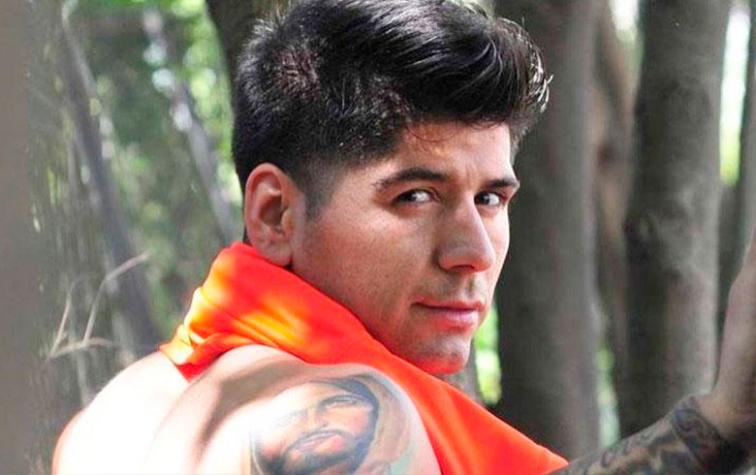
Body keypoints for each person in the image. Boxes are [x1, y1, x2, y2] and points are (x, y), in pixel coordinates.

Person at [53, 0, 755, 473]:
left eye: (490, 198)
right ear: (274, 214)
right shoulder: (337, 419)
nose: (473, 252)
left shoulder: (116, 415)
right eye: (414, 196)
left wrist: (720, 419)